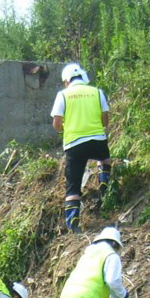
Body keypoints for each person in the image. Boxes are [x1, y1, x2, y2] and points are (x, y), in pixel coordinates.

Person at [51, 62, 112, 232]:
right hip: (97, 140)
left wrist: (66, 128)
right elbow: (105, 120)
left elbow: (56, 124)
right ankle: (104, 182)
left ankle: (73, 225)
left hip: (74, 145)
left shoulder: (62, 95)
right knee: (104, 159)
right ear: (83, 78)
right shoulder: (97, 92)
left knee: (73, 186)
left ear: (66, 81)